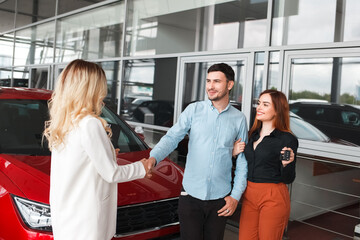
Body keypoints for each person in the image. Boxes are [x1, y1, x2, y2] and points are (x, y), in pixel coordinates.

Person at [43, 59, 152, 240]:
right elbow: (111, 174)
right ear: (91, 88)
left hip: (67, 217)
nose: (104, 91)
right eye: (101, 85)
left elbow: (77, 163)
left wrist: (108, 154)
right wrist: (142, 167)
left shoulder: (64, 122)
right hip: (87, 223)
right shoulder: (89, 124)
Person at [144, 63, 248, 240]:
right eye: (208, 81)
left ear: (230, 85)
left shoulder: (239, 119)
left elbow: (242, 162)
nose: (210, 86)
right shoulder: (194, 110)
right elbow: (171, 138)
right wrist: (153, 158)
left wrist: (235, 196)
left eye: (216, 81)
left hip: (220, 198)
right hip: (191, 195)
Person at [233, 89, 298, 240]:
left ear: (277, 110)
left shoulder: (287, 139)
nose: (259, 107)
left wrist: (287, 164)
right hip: (249, 194)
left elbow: (289, 178)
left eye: (265, 104)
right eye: (259, 103)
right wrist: (234, 153)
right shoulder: (252, 134)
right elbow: (246, 164)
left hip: (273, 196)